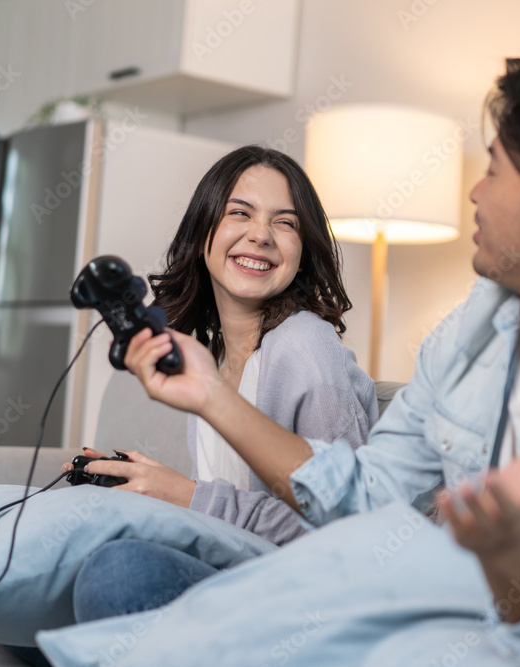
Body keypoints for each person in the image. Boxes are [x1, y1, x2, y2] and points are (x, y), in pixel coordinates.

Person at [112, 55, 520, 666]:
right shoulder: (472, 334)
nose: (475, 193)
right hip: (442, 635)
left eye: (495, 169)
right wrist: (211, 396)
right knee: (140, 596)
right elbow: (365, 494)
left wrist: (512, 553)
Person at [66, 145, 378, 620]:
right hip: (235, 573)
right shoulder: (213, 357)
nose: (261, 235)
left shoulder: (304, 348)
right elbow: (234, 519)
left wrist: (187, 496)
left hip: (301, 598)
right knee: (41, 590)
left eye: (285, 223)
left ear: (303, 249)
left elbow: (347, 526)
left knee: (119, 575)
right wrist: (150, 488)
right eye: (240, 213)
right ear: (202, 231)